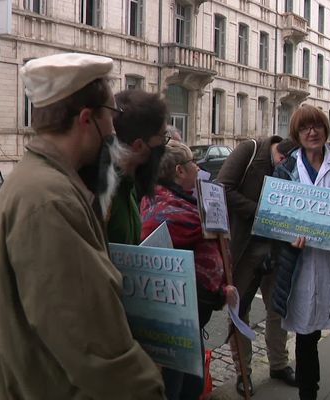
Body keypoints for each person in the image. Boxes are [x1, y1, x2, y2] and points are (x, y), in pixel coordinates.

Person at [0, 53, 165, 399]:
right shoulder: (49, 198)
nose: (114, 130)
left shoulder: (38, 183)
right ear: (87, 119)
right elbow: (93, 346)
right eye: (110, 115)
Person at [269, 105, 330, 400]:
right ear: (296, 134)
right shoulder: (285, 169)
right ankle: (308, 395)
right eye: (305, 128)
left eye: (317, 126)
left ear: (325, 130)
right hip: (302, 265)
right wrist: (287, 237)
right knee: (305, 337)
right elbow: (274, 217)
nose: (312, 132)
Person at [139, 140, 238, 400]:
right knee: (178, 387)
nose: (199, 168)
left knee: (192, 384)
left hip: (191, 318)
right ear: (180, 171)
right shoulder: (167, 206)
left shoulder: (186, 201)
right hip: (174, 320)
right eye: (195, 163)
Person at [216, 135, 298, 395]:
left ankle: (279, 363)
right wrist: (261, 211)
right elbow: (222, 188)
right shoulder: (250, 150)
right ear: (277, 151)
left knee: (278, 307)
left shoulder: (292, 163)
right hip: (245, 246)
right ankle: (244, 372)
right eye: (282, 160)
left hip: (276, 246)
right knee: (240, 311)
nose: (284, 165)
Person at [107, 89, 170, 244]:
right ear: (139, 146)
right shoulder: (104, 193)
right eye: (162, 137)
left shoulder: (130, 185)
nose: (164, 145)